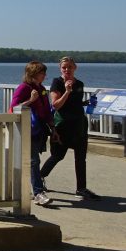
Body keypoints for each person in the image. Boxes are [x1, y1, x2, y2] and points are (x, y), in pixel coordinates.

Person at [40, 56, 101, 200]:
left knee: (81, 158)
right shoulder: (57, 83)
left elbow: (75, 103)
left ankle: (81, 188)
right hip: (63, 126)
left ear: (75, 68)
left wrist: (87, 103)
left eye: (70, 67)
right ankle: (39, 178)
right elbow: (56, 105)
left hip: (79, 125)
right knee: (57, 156)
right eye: (64, 67)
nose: (67, 70)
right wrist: (67, 91)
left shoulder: (79, 83)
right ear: (60, 69)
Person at [10, 61, 56, 207]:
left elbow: (47, 111)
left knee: (32, 161)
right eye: (42, 73)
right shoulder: (24, 88)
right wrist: (31, 100)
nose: (45, 75)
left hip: (38, 130)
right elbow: (13, 108)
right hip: (26, 129)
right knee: (33, 161)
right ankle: (38, 192)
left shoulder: (41, 88)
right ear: (34, 73)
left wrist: (53, 128)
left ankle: (33, 189)